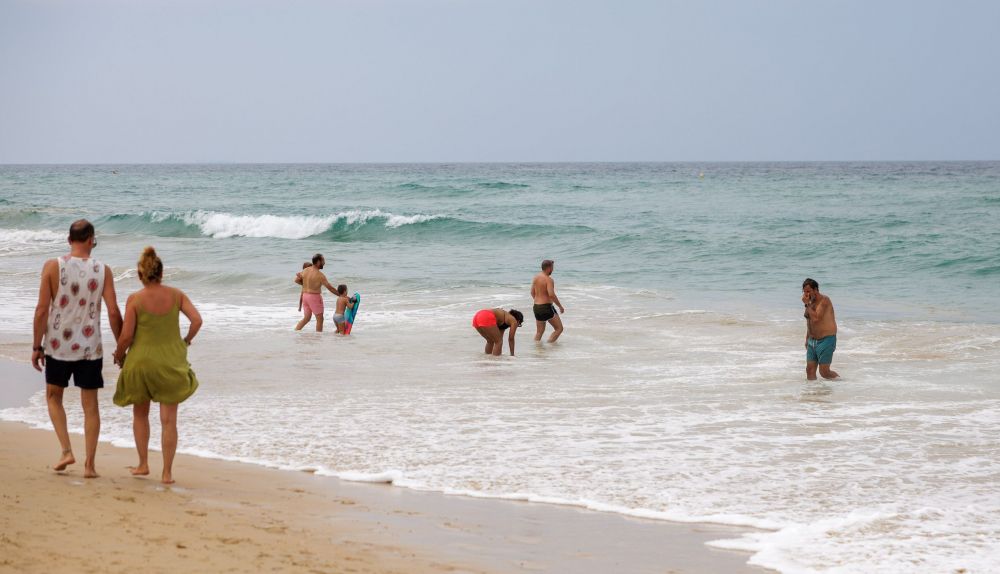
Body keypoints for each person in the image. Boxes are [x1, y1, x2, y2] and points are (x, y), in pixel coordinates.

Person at [31, 219, 123, 478]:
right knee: (90, 406)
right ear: (91, 239)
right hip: (90, 348)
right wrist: (122, 347)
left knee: (53, 397)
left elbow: (41, 311)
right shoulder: (103, 269)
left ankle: (66, 450)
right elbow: (114, 311)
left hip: (58, 345)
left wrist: (37, 346)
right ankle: (90, 466)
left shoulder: (52, 267)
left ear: (69, 239)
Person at [112, 247, 201, 484]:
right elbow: (197, 320)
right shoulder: (176, 295)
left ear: (141, 275)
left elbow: (126, 336)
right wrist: (186, 341)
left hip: (141, 363)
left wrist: (119, 355)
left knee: (140, 415)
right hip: (170, 362)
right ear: (161, 273)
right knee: (168, 420)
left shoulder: (135, 299)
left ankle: (142, 465)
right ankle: (167, 473)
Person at [802, 278, 839, 380]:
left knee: (824, 372)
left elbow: (816, 319)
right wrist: (807, 339)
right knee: (809, 370)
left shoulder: (824, 300)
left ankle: (841, 382)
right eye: (804, 292)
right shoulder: (810, 303)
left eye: (808, 291)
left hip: (826, 340)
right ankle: (813, 394)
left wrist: (806, 304)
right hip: (812, 341)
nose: (806, 294)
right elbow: (809, 321)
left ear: (816, 290)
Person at [295, 253, 338, 332]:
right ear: (318, 262)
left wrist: (306, 285)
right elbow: (330, 288)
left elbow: (296, 280)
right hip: (314, 297)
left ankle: (296, 331)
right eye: (323, 261)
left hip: (305, 296)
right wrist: (340, 295)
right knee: (320, 319)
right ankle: (318, 337)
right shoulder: (320, 275)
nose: (324, 263)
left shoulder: (305, 270)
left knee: (307, 318)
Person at [530, 259, 565, 342]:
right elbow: (551, 294)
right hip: (546, 307)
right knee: (559, 329)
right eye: (552, 267)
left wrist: (538, 301)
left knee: (539, 332)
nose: (553, 270)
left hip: (536, 307)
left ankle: (537, 349)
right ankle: (550, 346)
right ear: (548, 268)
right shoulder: (548, 279)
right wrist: (560, 306)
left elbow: (532, 292)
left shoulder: (536, 278)